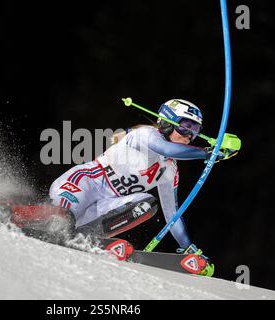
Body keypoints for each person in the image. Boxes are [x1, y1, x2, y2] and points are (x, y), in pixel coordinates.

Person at [12, 99, 236, 276]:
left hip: (107, 203)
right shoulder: (145, 135)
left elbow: (172, 215)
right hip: (85, 183)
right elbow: (166, 149)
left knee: (146, 204)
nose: (190, 135)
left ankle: (85, 236)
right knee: (62, 219)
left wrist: (189, 248)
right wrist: (208, 153)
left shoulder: (169, 171)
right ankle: (12, 213)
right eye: (186, 127)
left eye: (195, 130)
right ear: (167, 122)